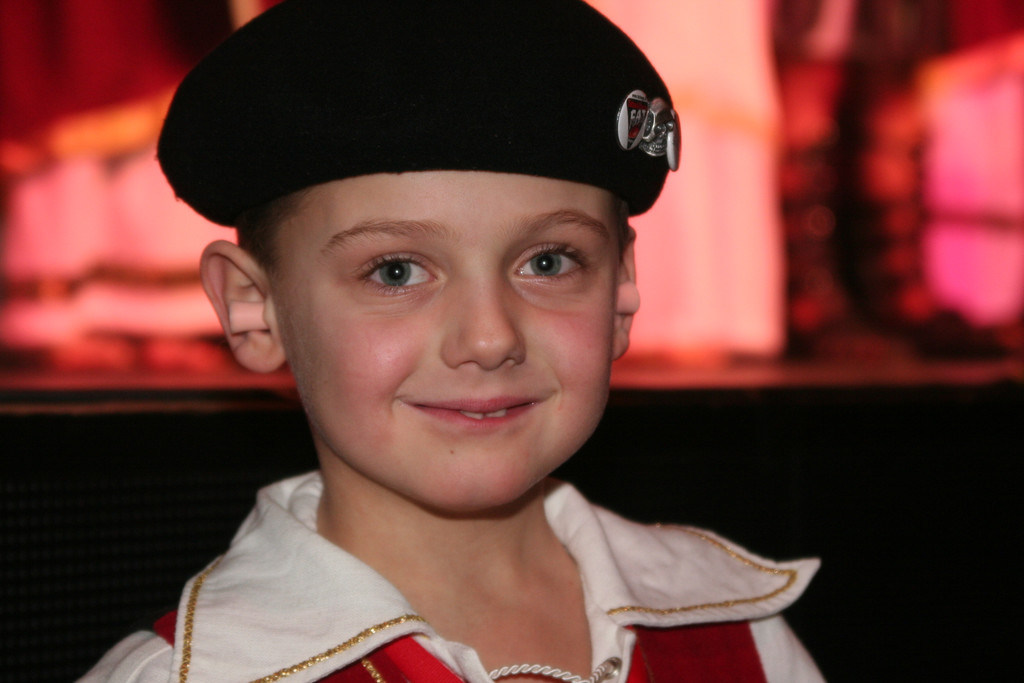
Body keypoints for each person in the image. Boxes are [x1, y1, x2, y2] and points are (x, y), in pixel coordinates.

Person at [81, 1, 823, 681]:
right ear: (254, 308)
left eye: (548, 262)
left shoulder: (740, 632)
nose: (490, 338)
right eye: (396, 271)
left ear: (621, 289)